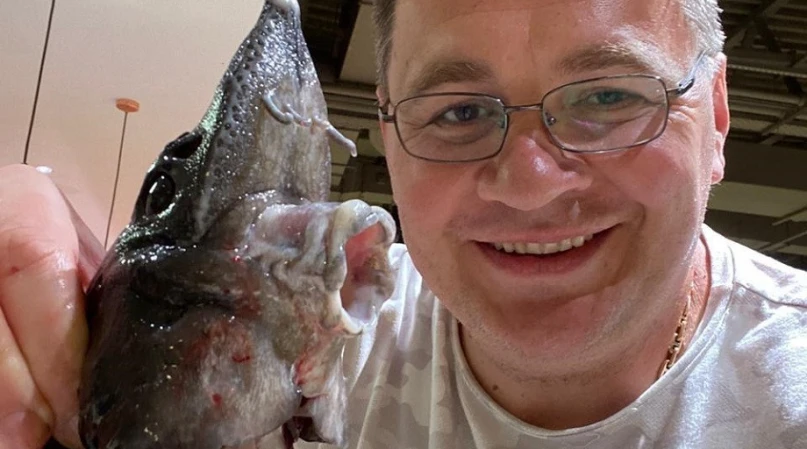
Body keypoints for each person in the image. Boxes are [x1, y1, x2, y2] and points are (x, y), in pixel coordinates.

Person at [2, 0, 806, 448]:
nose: (529, 183)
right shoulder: (317, 344)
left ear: (718, 118)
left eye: (608, 95)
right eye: (457, 110)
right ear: (388, 136)